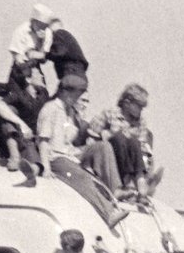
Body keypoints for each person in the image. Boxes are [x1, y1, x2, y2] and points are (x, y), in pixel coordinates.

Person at [22, 73, 127, 228]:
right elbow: (43, 140)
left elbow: (72, 139)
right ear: (65, 92)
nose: (77, 98)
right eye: (76, 94)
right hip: (56, 157)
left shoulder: (69, 111)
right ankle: (108, 213)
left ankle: (115, 190)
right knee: (82, 178)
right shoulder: (51, 109)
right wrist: (46, 167)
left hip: (71, 153)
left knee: (103, 147)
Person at [91, 84, 159, 198]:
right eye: (139, 107)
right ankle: (128, 183)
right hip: (112, 158)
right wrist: (107, 134)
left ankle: (140, 180)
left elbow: (142, 147)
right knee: (119, 137)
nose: (141, 111)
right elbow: (92, 132)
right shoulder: (110, 113)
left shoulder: (140, 122)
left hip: (132, 161)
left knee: (134, 141)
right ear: (127, 103)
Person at [8, 3, 54, 83]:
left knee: (42, 92)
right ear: (33, 21)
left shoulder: (47, 33)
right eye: (40, 25)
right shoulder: (21, 31)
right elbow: (17, 56)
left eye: (45, 26)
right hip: (20, 68)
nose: (42, 28)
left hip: (35, 67)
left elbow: (44, 59)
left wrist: (41, 41)